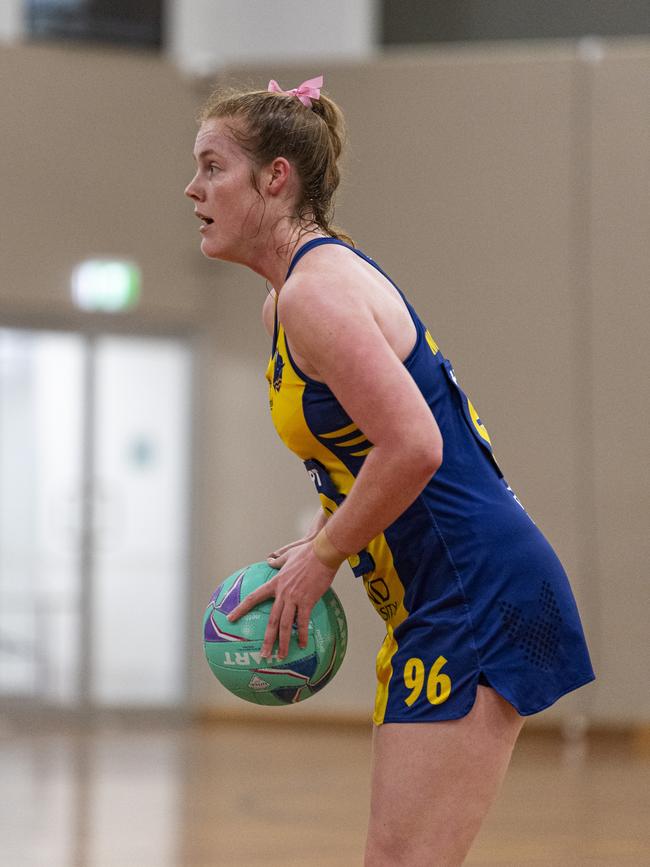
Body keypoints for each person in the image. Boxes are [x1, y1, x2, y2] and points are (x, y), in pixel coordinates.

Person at [185, 74, 595, 866]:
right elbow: (371, 452)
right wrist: (318, 539)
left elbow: (416, 445)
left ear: (277, 178)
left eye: (212, 166)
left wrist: (327, 555)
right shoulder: (290, 300)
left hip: (475, 587)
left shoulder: (317, 294)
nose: (192, 187)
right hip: (436, 592)